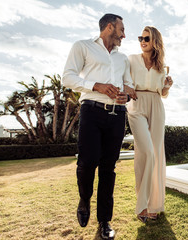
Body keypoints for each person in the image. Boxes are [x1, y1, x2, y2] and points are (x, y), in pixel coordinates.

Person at [62, 13, 135, 240]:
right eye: (121, 29)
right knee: (87, 162)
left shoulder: (122, 58)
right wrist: (97, 86)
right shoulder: (83, 47)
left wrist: (127, 96)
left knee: (108, 169)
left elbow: (129, 85)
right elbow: (68, 78)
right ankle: (84, 200)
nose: (124, 35)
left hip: (117, 116)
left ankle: (104, 221)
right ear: (110, 27)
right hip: (91, 111)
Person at [125, 26, 173, 222]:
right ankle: (141, 205)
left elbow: (162, 93)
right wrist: (126, 87)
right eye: (140, 38)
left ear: (155, 41)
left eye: (146, 38)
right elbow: (124, 80)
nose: (142, 41)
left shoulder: (162, 66)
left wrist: (167, 86)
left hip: (156, 104)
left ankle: (153, 205)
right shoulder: (131, 60)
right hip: (136, 104)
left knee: (157, 154)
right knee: (146, 152)